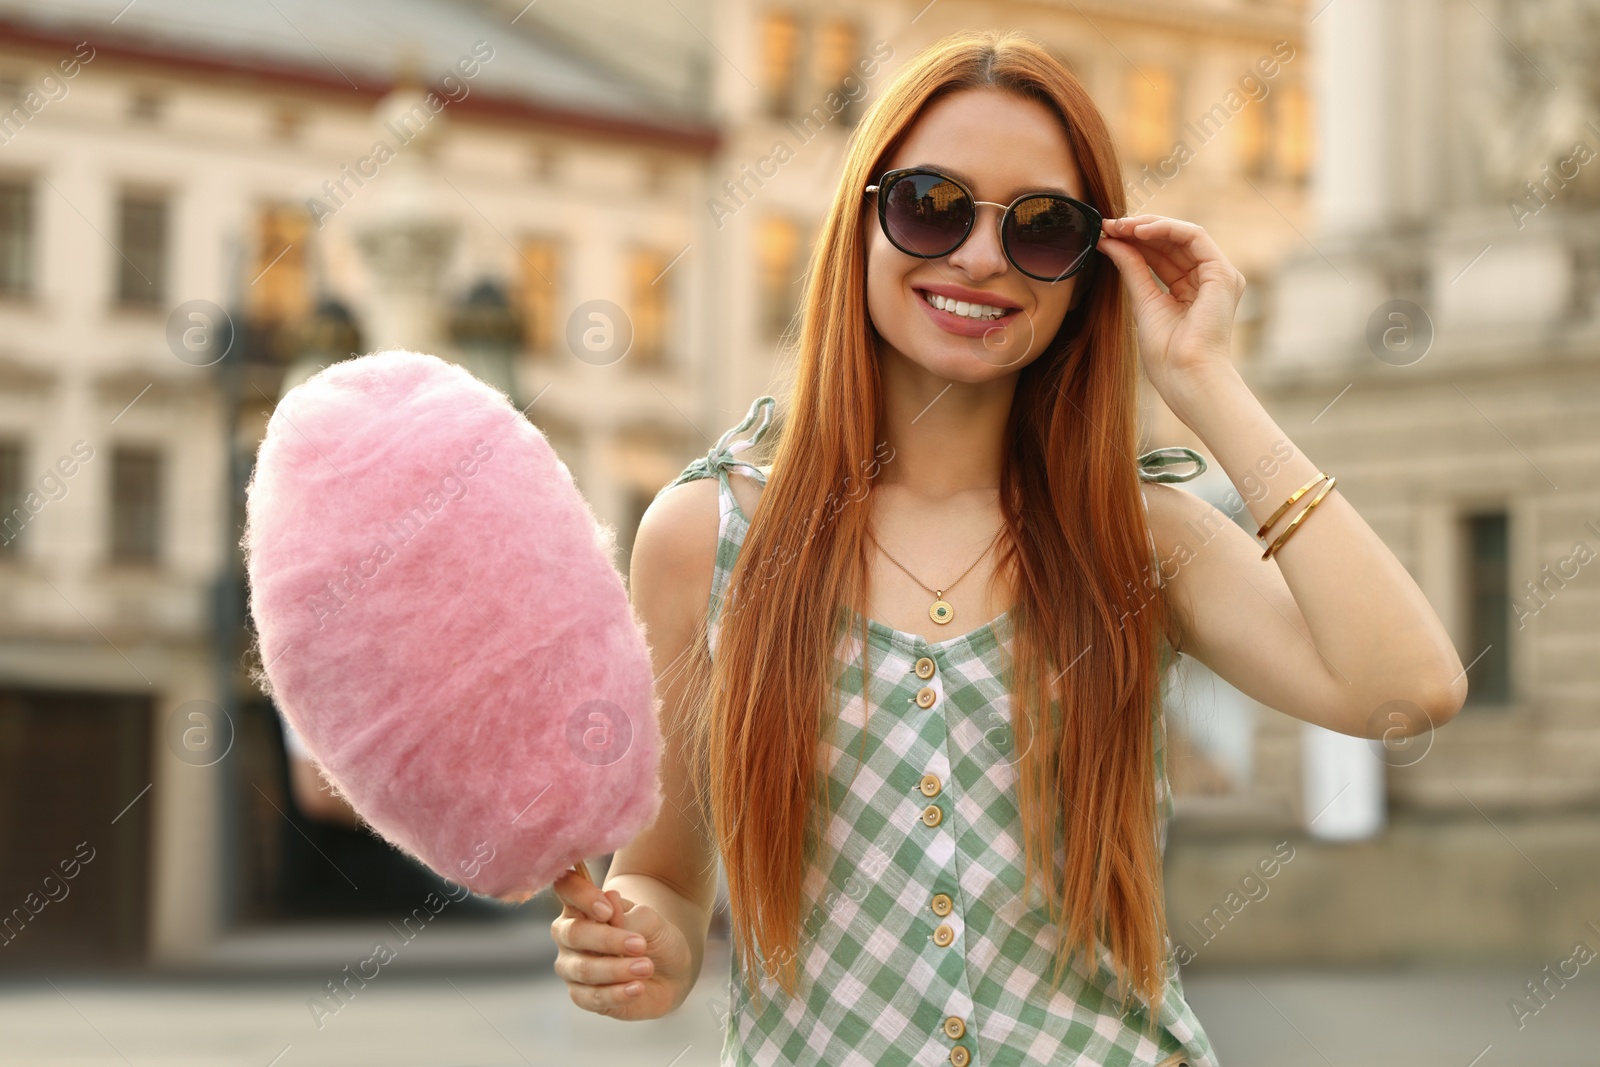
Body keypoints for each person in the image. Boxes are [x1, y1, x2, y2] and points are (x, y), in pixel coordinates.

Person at [549, 29, 1467, 1067]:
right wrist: (636, 945)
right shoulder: (707, 537)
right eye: (931, 206)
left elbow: (1408, 687)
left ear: (1087, 273)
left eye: (1041, 229)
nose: (980, 257)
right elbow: (665, 877)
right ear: (861, 221)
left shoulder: (1133, 535)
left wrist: (1207, 379)